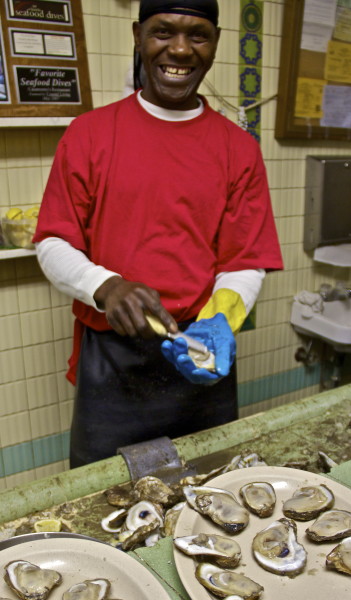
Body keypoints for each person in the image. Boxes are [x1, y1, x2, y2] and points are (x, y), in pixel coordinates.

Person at [33, 0, 283, 468]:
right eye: (163, 32)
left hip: (200, 350)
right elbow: (52, 242)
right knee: (107, 496)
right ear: (138, 35)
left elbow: (244, 259)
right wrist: (105, 286)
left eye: (199, 35)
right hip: (112, 359)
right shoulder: (89, 134)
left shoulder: (237, 150)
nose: (181, 49)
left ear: (216, 43)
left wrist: (220, 321)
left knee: (209, 489)